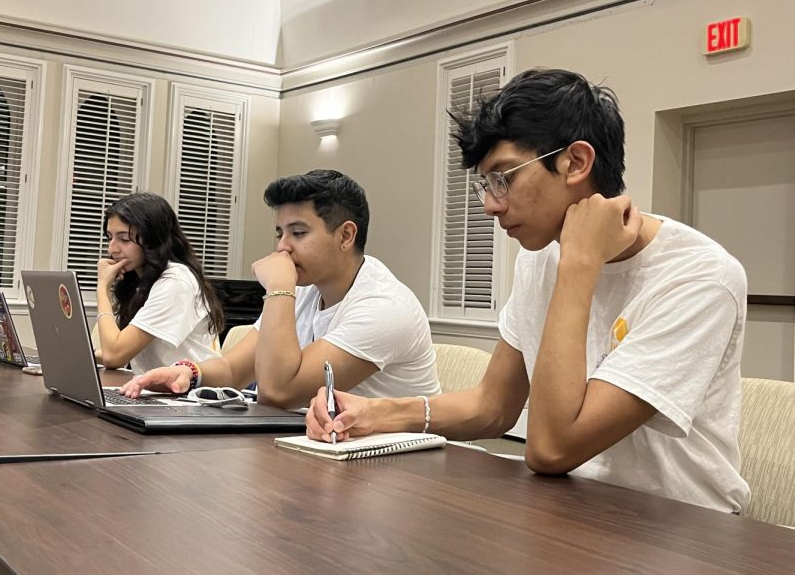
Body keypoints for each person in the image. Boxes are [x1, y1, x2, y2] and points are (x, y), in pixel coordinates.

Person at [306, 69, 750, 514]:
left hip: (682, 528)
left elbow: (552, 450)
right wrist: (374, 414)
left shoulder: (699, 276)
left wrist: (579, 264)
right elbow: (493, 406)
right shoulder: (540, 257)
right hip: (574, 510)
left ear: (576, 162)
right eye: (486, 184)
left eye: (504, 178)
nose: (490, 204)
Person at [120, 169, 440, 408]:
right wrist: (188, 373)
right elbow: (234, 368)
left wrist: (279, 288)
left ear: (345, 236)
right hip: (326, 446)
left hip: (398, 469)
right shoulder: (304, 288)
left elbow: (278, 392)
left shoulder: (383, 306)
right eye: (280, 232)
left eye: (298, 233)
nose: (282, 247)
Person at [95, 192, 224, 372]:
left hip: (191, 395)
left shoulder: (176, 282)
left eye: (124, 239)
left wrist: (102, 287)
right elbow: (116, 351)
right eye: (110, 237)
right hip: (159, 392)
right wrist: (81, 355)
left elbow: (114, 356)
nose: (112, 248)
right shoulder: (142, 281)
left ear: (152, 239)